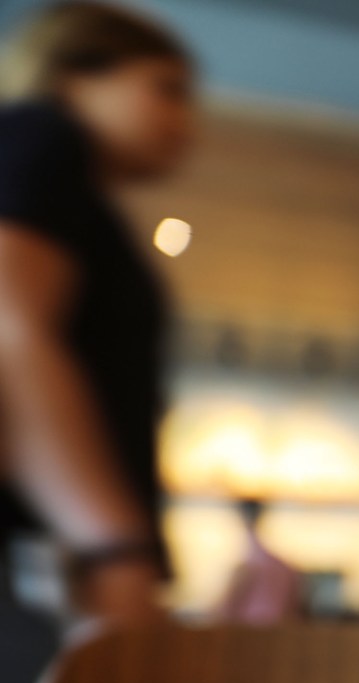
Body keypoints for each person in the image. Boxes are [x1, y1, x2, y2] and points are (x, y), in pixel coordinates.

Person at [0, 2, 194, 627]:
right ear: (73, 76)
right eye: (166, 89)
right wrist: (113, 546)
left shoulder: (74, 189)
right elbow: (10, 330)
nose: (186, 122)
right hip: (44, 558)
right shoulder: (42, 135)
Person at [213, 499, 303, 626]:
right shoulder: (285, 568)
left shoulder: (251, 564)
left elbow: (225, 610)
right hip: (279, 636)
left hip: (249, 636)